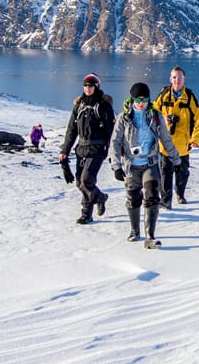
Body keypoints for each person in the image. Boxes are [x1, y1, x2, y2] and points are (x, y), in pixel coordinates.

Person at [111, 82, 182, 249]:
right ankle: (135, 231)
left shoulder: (155, 116)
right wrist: (116, 166)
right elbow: (114, 142)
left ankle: (149, 237)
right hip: (131, 165)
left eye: (144, 99)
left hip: (150, 163)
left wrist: (176, 160)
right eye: (138, 99)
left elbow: (166, 139)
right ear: (132, 98)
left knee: (151, 196)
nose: (141, 102)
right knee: (133, 198)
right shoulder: (124, 117)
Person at [60, 73, 115, 225]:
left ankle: (86, 214)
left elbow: (111, 130)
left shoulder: (103, 106)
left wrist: (113, 152)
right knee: (80, 183)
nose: (87, 88)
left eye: (90, 85)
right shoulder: (79, 106)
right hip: (82, 148)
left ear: (96, 87)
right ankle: (100, 197)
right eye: (85, 85)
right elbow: (72, 130)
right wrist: (65, 150)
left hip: (97, 148)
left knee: (86, 180)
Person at [152, 66, 199, 208]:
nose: (177, 80)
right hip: (165, 144)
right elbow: (153, 113)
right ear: (170, 79)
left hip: (183, 144)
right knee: (165, 173)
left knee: (182, 173)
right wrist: (164, 118)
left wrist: (195, 139)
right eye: (174, 77)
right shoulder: (163, 95)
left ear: (184, 79)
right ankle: (166, 200)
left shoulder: (190, 97)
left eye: (180, 77)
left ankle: (180, 194)